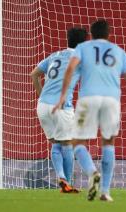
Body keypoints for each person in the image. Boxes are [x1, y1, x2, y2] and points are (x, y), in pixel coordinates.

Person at [53, 19, 126, 202]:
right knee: (108, 143)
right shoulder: (118, 51)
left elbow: (70, 68)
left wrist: (62, 96)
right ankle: (105, 192)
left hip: (88, 98)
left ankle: (92, 172)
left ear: (91, 35)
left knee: (77, 142)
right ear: (109, 34)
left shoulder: (83, 48)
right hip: (111, 100)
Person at [30, 27, 87, 193]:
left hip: (42, 106)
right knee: (68, 143)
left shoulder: (54, 55)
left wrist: (42, 96)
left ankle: (62, 178)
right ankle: (67, 183)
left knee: (56, 143)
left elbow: (34, 74)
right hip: (61, 107)